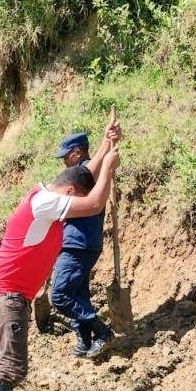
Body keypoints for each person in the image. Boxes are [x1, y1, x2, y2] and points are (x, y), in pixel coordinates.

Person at [0, 147, 121, 391]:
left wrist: (105, 146)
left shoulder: (43, 195)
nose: (72, 208)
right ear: (68, 193)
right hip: (7, 294)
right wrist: (109, 166)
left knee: (0, 358)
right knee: (11, 364)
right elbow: (94, 203)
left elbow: (83, 177)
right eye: (72, 201)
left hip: (3, 291)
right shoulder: (46, 203)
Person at [50, 115, 123, 357]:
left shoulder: (84, 173)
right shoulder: (86, 171)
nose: (63, 162)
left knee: (60, 294)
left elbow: (95, 173)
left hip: (78, 244)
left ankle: (102, 332)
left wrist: (107, 147)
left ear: (77, 152)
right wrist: (106, 140)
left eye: (66, 156)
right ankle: (84, 339)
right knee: (78, 293)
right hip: (78, 243)